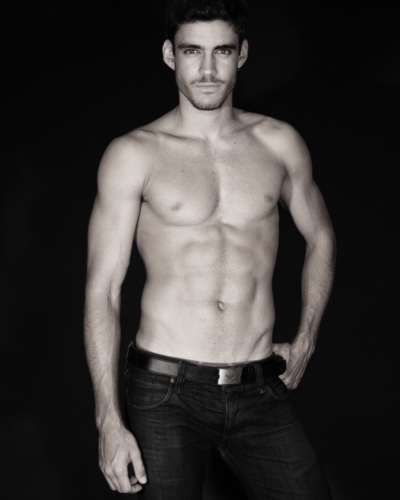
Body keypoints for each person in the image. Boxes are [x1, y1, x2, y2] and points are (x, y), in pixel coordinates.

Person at [84, 0, 336, 498]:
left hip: (259, 385)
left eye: (221, 51)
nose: (206, 68)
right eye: (191, 51)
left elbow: (321, 236)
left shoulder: (279, 143)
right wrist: (108, 421)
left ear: (242, 54)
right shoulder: (133, 154)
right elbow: (103, 290)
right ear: (169, 55)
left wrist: (307, 337)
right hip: (165, 392)